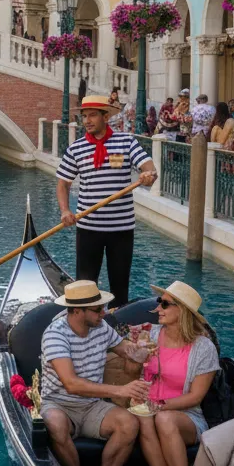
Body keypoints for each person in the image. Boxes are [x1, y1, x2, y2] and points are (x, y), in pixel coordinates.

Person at [38, 280, 150, 466]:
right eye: (98, 309)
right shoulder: (55, 335)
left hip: (91, 406)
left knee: (129, 424)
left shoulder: (101, 327)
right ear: (77, 311)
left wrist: (138, 350)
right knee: (55, 423)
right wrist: (120, 391)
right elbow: (71, 384)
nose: (104, 313)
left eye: (103, 307)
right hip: (59, 403)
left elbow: (124, 349)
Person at [56, 95, 158, 307]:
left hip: (121, 229)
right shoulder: (76, 148)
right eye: (84, 116)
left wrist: (148, 174)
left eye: (92, 115)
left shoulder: (126, 142)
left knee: (119, 287)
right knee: (85, 286)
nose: (87, 121)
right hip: (88, 228)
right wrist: (65, 210)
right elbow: (63, 184)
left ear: (105, 116)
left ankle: (117, 323)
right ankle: (87, 323)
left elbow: (149, 167)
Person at [134, 281, 220, 466]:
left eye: (164, 304)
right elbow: (131, 372)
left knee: (164, 419)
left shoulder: (203, 348)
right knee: (144, 417)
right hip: (145, 408)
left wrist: (159, 406)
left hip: (185, 415)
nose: (158, 308)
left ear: (182, 311)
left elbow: (195, 397)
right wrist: (135, 354)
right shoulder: (150, 334)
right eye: (159, 302)